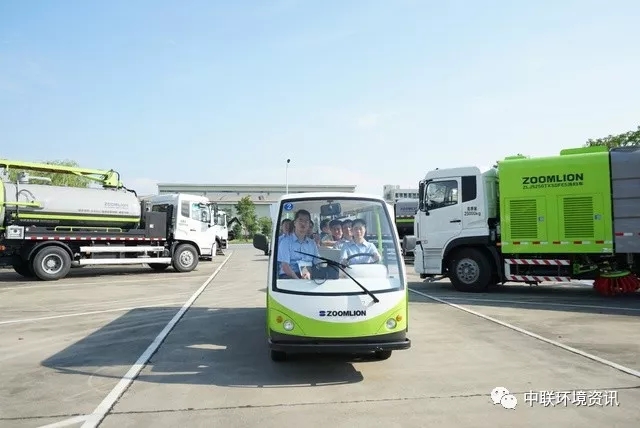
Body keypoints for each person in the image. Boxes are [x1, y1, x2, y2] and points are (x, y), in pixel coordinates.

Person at [277, 209, 319, 279]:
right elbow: (285, 266)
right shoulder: (285, 242)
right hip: (290, 276)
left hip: (308, 275)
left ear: (309, 224)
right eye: (300, 220)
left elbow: (317, 262)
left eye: (306, 221)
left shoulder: (312, 243)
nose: (303, 223)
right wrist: (298, 281)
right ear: (294, 223)